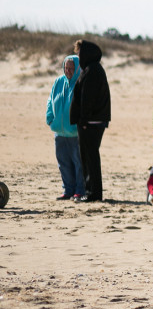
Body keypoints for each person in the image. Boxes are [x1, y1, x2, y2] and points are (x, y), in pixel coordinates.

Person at [70, 39, 110, 202]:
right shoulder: (92, 69)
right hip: (92, 121)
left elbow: (88, 98)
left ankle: (94, 193)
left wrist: (84, 120)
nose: (78, 56)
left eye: (79, 53)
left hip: (91, 122)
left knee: (90, 157)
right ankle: (92, 192)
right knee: (88, 157)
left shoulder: (92, 71)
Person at [45, 54, 84, 201]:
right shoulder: (59, 81)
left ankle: (80, 190)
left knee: (78, 163)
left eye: (71, 68)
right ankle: (68, 190)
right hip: (59, 132)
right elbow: (50, 101)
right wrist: (50, 118)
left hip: (74, 132)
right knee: (63, 163)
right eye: (66, 68)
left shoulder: (80, 82)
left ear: (77, 68)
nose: (68, 70)